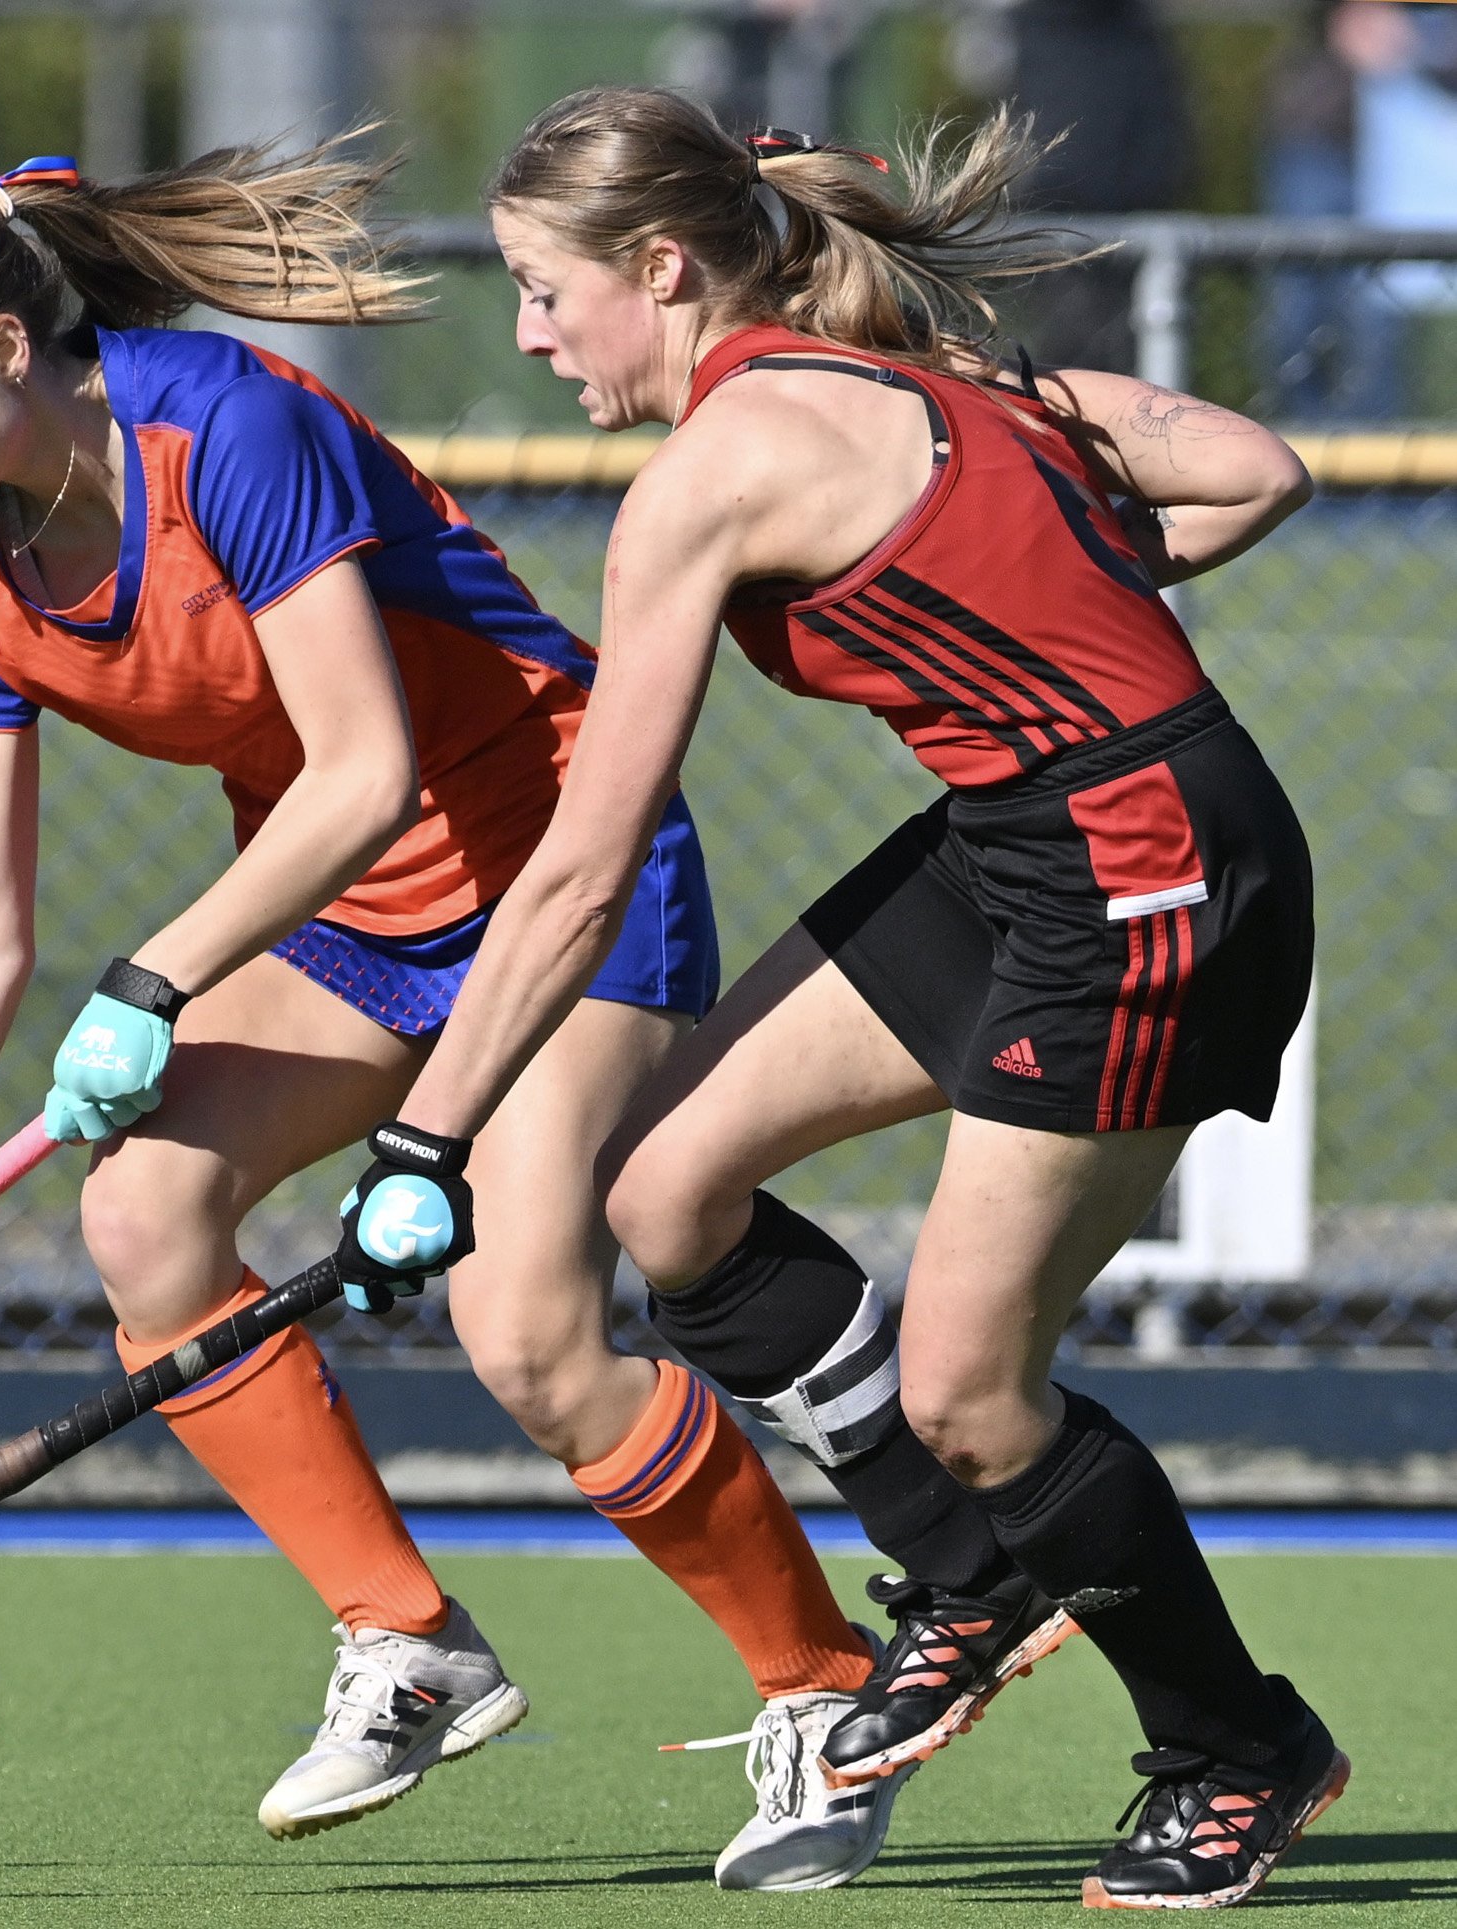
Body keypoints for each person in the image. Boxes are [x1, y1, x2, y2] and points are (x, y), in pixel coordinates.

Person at [0, 140, 914, 1884]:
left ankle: (826, 1688)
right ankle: (407, 1638)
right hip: (355, 923)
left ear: (3, 350)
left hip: (555, 876)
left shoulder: (224, 424)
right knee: (140, 1205)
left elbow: (366, 766)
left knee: (524, 1326)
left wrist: (154, 973)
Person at [333, 88, 1346, 1911]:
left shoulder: (711, 475)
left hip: (1137, 865)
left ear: (661, 267)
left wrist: (430, 1128)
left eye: (544, 289)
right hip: (1023, 826)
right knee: (661, 1186)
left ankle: (1233, 1745)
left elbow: (576, 871)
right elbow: (1250, 469)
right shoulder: (926, 371)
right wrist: (1078, 603)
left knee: (969, 1381)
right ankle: (971, 1566)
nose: (530, 331)